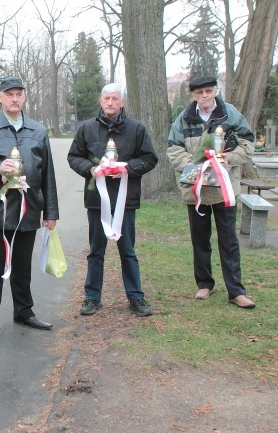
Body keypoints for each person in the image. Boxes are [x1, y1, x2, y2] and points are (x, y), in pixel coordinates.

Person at [0, 77, 59, 345]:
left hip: (29, 210)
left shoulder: (38, 131)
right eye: (10, 94)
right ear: (0, 98)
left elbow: (48, 174)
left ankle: (24, 312)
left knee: (22, 267)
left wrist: (50, 213)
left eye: (19, 94)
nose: (15, 98)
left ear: (24, 97)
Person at [68, 83, 158, 317]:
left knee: (127, 250)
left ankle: (136, 297)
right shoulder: (87, 128)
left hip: (125, 199)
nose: (110, 102)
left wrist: (128, 167)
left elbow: (150, 158)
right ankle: (92, 297)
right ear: (100, 101)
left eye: (115, 98)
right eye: (106, 98)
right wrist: (92, 169)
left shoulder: (136, 128)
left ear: (122, 102)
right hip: (97, 199)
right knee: (96, 250)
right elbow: (74, 156)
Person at [167, 75, 256, 309]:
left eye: (208, 91)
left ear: (215, 91)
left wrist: (228, 158)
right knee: (200, 240)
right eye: (199, 93)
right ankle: (204, 284)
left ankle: (236, 291)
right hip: (196, 192)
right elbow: (173, 149)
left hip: (224, 189)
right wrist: (196, 166)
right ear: (192, 95)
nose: (204, 96)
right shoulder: (183, 119)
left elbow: (247, 142)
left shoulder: (230, 114)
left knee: (229, 241)